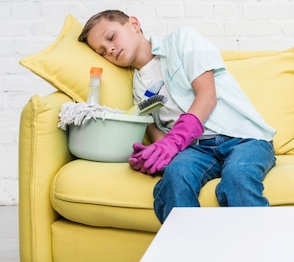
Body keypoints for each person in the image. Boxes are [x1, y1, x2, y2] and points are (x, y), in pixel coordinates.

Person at [78, 11, 276, 222]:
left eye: (111, 37)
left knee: (238, 178)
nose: (110, 49)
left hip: (244, 138)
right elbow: (157, 133)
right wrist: (153, 155)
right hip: (197, 150)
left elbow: (207, 95)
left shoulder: (182, 40)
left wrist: (174, 141)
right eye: (102, 52)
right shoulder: (137, 87)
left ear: (134, 24)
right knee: (174, 180)